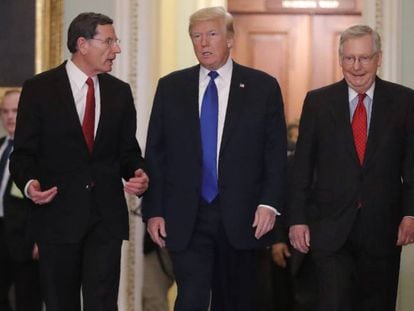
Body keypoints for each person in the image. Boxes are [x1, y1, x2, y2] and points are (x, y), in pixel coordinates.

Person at [143, 6, 287, 311]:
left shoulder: (262, 87)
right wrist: (154, 210)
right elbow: (156, 153)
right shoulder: (171, 87)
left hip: (244, 216)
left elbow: (275, 154)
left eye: (211, 34)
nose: (203, 43)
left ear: (230, 39)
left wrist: (269, 203)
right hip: (187, 215)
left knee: (237, 301)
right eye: (196, 36)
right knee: (191, 299)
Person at [9, 12, 149, 311]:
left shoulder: (119, 93)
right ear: (82, 44)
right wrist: (31, 184)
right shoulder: (39, 89)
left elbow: (128, 151)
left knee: (102, 304)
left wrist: (137, 172)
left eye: (116, 41)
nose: (117, 49)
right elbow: (22, 154)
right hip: (57, 219)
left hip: (105, 220)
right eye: (109, 41)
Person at [288, 24, 414, 311]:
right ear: (340, 59)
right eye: (349, 58)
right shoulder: (318, 102)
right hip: (330, 232)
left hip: (383, 230)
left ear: (378, 58)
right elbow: (302, 166)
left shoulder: (405, 102)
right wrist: (297, 219)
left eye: (364, 58)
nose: (356, 67)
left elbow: (411, 164)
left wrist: (410, 213)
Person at [0, 90, 42, 311]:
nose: (10, 117)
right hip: (1, 234)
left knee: (28, 301)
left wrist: (40, 238)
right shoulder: (1, 147)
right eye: (5, 111)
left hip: (26, 239)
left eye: (15, 111)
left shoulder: (39, 152)